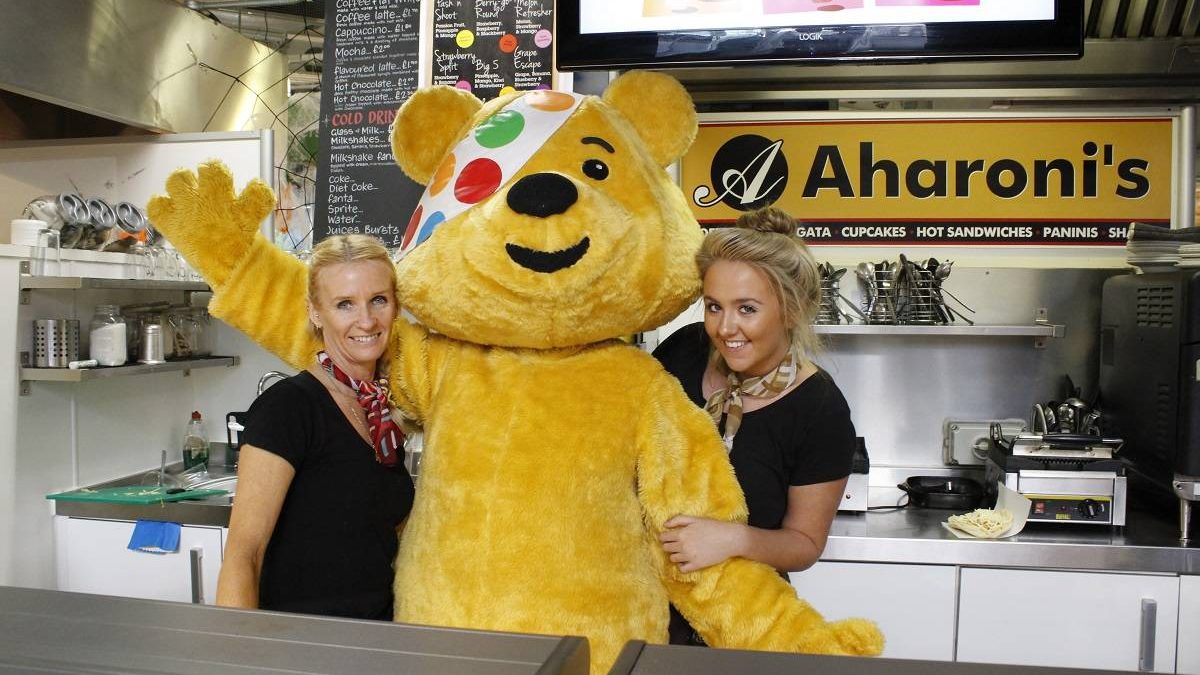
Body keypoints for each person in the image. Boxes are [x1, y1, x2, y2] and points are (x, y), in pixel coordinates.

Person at [653, 207, 856, 645]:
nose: (725, 329)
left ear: (791, 310)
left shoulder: (820, 410)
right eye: (713, 307)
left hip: (738, 625)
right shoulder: (681, 351)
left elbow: (804, 543)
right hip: (644, 609)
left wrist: (733, 539)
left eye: (747, 309)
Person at [216, 234, 415, 620]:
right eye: (345, 304)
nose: (367, 320)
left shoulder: (378, 411)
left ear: (395, 306)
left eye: (378, 299)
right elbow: (244, 554)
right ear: (315, 313)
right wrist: (235, 655)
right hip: (303, 644)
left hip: (378, 638)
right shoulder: (287, 408)